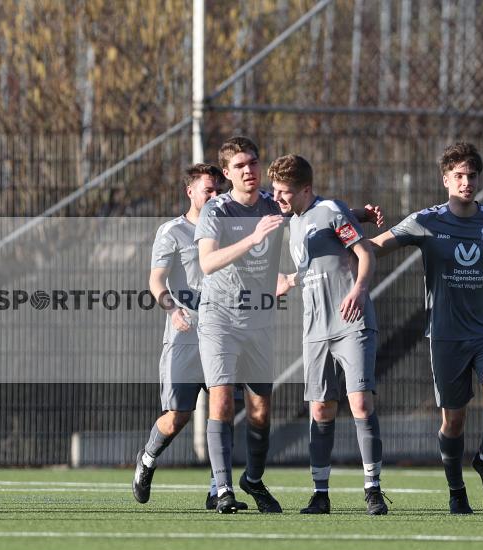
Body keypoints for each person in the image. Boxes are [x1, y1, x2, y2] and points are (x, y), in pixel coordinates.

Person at [369, 142, 483, 514]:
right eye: (459, 176)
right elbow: (377, 246)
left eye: (471, 176)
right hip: (446, 335)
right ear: (446, 180)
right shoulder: (427, 221)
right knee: (453, 420)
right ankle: (456, 491)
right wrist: (339, 244)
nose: (466, 182)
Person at [267, 154, 389, 516]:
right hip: (315, 327)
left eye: (284, 192)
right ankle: (320, 494)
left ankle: (373, 490)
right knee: (320, 408)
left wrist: (359, 290)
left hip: (351, 321)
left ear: (305, 189)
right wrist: (288, 281)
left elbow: (364, 253)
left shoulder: (330, 210)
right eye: (275, 190)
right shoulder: (298, 219)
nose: (277, 197)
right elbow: (315, 256)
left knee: (360, 403)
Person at [131, 163, 247, 511]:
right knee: (176, 417)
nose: (214, 196)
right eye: (207, 190)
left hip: (224, 333)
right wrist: (172, 309)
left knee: (223, 409)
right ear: (191, 192)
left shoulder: (230, 228)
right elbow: (156, 281)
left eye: (217, 189)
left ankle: (220, 490)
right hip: (185, 336)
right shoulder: (173, 231)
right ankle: (148, 459)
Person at [193, 137, 294, 514]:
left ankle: (252, 479)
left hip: (260, 319)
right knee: (220, 398)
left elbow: (307, 208)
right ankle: (223, 489)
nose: (249, 170)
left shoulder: (272, 203)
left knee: (260, 410)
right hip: (219, 318)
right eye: (240, 166)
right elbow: (207, 262)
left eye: (253, 162)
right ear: (226, 173)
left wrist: (356, 216)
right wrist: (253, 237)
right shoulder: (216, 210)